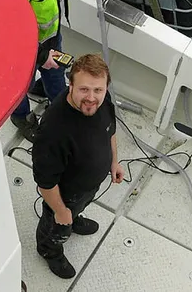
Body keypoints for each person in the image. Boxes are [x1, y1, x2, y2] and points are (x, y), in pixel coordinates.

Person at [0, 0, 110, 141]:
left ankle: (54, 97)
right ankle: (22, 118)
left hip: (52, 34)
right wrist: (40, 56)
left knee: (56, 71)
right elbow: (11, 29)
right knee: (20, 85)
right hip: (26, 47)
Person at [31, 53, 125, 279]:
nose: (91, 98)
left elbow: (109, 130)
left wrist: (113, 161)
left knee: (78, 208)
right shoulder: (54, 130)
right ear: (70, 85)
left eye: (98, 90)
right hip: (64, 195)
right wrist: (61, 211)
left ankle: (75, 217)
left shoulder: (104, 102)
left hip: (88, 188)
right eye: (84, 89)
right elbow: (45, 182)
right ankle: (49, 249)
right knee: (54, 225)